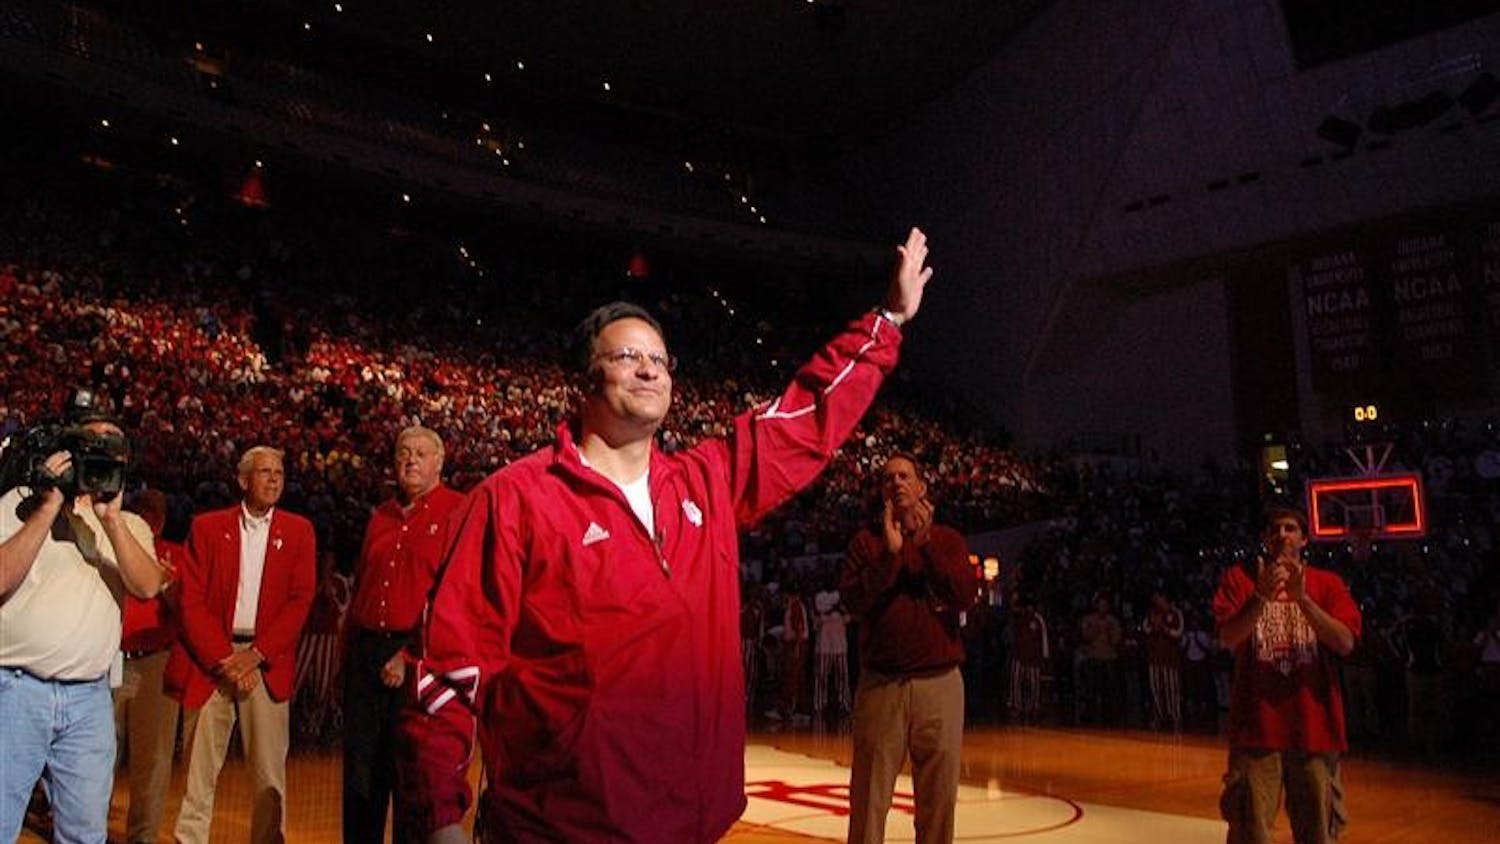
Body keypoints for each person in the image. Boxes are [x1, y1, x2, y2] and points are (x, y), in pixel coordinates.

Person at [406, 228, 933, 842]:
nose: (649, 369)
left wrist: (889, 319)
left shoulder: (706, 482)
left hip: (692, 826)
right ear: (583, 381)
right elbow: (448, 670)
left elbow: (805, 418)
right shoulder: (515, 499)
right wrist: (441, 820)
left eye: (659, 359)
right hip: (559, 829)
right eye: (628, 357)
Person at [0, 403, 164, 842]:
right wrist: (49, 504)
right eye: (90, 443)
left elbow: (148, 586)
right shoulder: (18, 504)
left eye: (113, 446)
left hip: (90, 701)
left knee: (86, 833)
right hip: (16, 692)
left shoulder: (129, 524)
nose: (102, 453)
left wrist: (110, 519)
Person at [166, 446, 317, 844]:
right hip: (210, 662)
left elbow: (301, 600)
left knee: (269, 775)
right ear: (242, 479)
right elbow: (191, 601)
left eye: (279, 473)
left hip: (266, 663)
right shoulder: (207, 527)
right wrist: (225, 659)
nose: (273, 479)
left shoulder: (300, 531)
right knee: (198, 773)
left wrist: (255, 656)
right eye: (264, 472)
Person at [841, 453, 977, 844]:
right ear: (881, 492)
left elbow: (964, 595)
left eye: (905, 476)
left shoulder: (947, 540)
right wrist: (891, 554)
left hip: (940, 685)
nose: (897, 482)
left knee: (938, 801)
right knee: (868, 800)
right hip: (882, 686)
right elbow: (853, 602)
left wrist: (924, 543)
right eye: (888, 478)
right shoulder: (866, 544)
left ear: (922, 487)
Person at [344, 426, 464, 844]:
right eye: (402, 453)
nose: (410, 460)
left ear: (439, 463)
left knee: (407, 776)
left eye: (420, 453)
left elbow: (452, 598)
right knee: (360, 776)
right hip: (365, 653)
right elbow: (360, 586)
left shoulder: (457, 512)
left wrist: (410, 655)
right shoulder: (381, 515)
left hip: (414, 656)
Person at [1214, 506, 1361, 844]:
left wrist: (1304, 601)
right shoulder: (1240, 578)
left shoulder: (1328, 583)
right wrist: (1261, 596)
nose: (1282, 534)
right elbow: (1227, 637)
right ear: (1265, 538)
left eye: (1291, 528)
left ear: (1304, 538)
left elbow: (1345, 642)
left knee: (1318, 833)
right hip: (1255, 730)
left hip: (1315, 729)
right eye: (1275, 529)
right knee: (1250, 830)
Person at [114, 488, 184, 844]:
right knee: (100, 752)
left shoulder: (177, 554)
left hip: (156, 661)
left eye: (159, 510)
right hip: (112, 659)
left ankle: (142, 836)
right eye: (145, 509)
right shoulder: (114, 542)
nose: (152, 517)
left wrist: (168, 584)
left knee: (153, 758)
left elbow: (188, 612)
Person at [1143, 587, 1184, 731]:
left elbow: (1178, 633)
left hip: (1170, 660)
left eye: (1157, 597)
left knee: (1172, 689)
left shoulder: (1175, 613)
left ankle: (1175, 718)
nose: (1155, 600)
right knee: (1155, 688)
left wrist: (1164, 628)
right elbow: (1145, 630)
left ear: (1163, 598)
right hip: (1154, 659)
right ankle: (1158, 717)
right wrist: (1155, 626)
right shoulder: (1151, 614)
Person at [1077, 594, 1123, 725]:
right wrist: (1095, 630)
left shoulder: (1113, 621)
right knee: (1092, 690)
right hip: (1093, 658)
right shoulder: (1088, 620)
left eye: (1105, 605)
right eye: (1100, 605)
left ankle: (1110, 718)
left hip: (1109, 659)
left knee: (1109, 691)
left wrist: (1109, 632)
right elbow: (1084, 636)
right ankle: (1092, 716)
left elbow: (1117, 640)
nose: (1102, 608)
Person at [1008, 595, 1049, 721]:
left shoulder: (1038, 620)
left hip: (1033, 657)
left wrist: (1045, 655)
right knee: (1015, 681)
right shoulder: (1019, 619)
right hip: (1019, 655)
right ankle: (1016, 706)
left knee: (1034, 683)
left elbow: (1043, 638)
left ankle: (1034, 706)